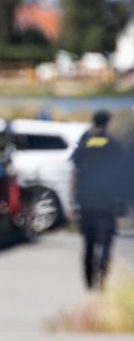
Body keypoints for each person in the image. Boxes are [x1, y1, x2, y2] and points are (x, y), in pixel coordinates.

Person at [71, 110, 125, 290]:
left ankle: (89, 275)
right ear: (108, 123)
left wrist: (72, 200)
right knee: (106, 240)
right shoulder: (115, 145)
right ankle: (102, 271)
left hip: (86, 200)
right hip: (108, 201)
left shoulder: (85, 143)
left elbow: (75, 173)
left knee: (89, 241)